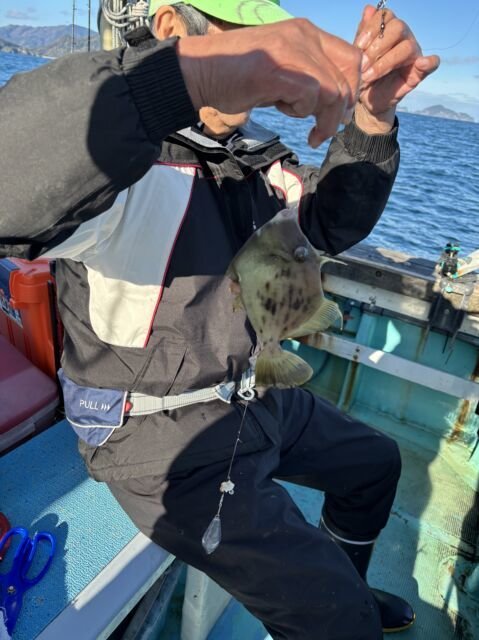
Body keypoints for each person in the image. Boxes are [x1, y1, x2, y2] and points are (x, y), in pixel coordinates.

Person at [0, 1, 439, 638]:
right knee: (342, 623)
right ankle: (347, 611)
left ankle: (350, 586)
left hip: (251, 393)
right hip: (156, 439)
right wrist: (187, 78)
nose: (271, 56)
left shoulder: (255, 160)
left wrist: (373, 119)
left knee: (377, 463)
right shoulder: (116, 171)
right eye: (248, 35)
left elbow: (328, 225)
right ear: (173, 28)